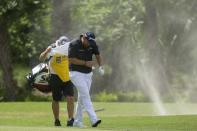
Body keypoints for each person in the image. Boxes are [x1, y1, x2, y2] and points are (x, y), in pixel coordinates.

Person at [68, 32, 104, 128]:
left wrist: (101, 66)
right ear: (83, 37)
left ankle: (77, 121)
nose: (89, 44)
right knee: (85, 95)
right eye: (88, 41)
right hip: (75, 73)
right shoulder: (74, 44)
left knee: (82, 97)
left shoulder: (92, 43)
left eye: (91, 42)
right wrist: (85, 63)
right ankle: (94, 119)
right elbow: (71, 59)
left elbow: (97, 55)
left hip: (88, 74)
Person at [39, 36, 75, 127]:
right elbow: (41, 58)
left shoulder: (70, 49)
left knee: (70, 97)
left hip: (66, 76)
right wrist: (47, 51)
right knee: (56, 99)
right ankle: (56, 120)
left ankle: (70, 119)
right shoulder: (52, 47)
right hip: (55, 76)